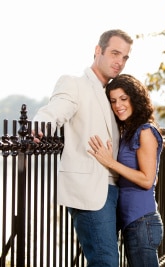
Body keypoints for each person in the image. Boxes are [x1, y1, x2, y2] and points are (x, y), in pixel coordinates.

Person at [32, 29, 133, 266]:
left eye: (125, 57)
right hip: (91, 192)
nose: (120, 61)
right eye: (115, 53)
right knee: (106, 262)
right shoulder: (74, 84)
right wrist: (39, 126)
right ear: (98, 51)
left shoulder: (113, 94)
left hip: (115, 191)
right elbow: (57, 108)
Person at [87, 74, 164, 267]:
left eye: (123, 98)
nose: (118, 105)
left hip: (142, 222)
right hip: (133, 223)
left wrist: (110, 162)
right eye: (113, 101)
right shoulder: (129, 132)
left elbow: (148, 180)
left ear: (135, 98)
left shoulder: (145, 131)